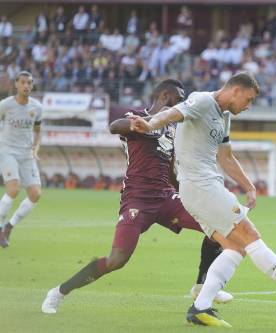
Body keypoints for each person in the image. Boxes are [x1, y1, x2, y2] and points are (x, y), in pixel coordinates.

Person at [130, 72, 276, 327]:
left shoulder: (224, 117)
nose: (248, 107)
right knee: (250, 235)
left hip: (203, 187)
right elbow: (172, 114)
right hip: (200, 185)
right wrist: (150, 124)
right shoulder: (202, 101)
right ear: (235, 90)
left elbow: (225, 157)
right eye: (248, 100)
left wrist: (249, 186)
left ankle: (200, 307)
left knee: (235, 248)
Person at [41, 79, 233, 314]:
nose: (183, 103)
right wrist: (144, 124)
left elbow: (171, 168)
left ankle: (202, 286)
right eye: (179, 98)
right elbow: (114, 126)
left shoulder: (173, 128)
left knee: (217, 228)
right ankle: (59, 292)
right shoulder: (137, 116)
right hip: (137, 199)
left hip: (166, 197)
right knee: (116, 260)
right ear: (164, 96)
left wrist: (184, 192)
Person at [0, 71, 43, 248]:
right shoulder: (5, 105)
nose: (26, 86)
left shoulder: (37, 107)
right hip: (7, 150)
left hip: (26, 154)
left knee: (35, 194)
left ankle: (10, 226)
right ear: (16, 84)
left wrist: (36, 148)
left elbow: (38, 132)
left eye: (29, 83)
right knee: (14, 188)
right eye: (23, 82)